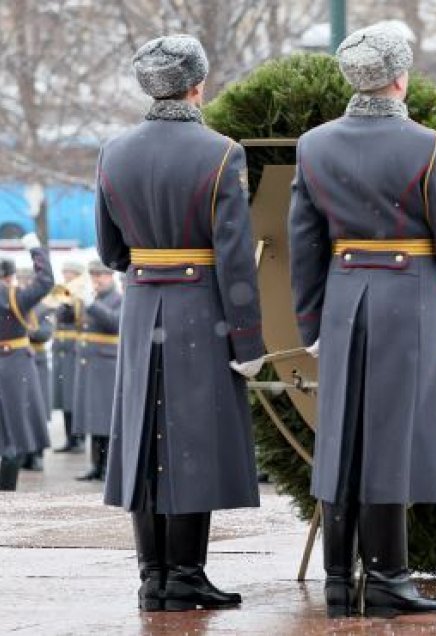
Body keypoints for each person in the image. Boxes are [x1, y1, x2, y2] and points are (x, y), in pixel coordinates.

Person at [289, 22, 436, 618]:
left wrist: (312, 323)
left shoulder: (314, 144)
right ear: (401, 78)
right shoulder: (429, 146)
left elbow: (304, 244)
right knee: (392, 438)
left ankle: (338, 582)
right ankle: (389, 578)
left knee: (342, 436)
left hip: (345, 296)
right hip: (408, 296)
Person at [96, 34, 265, 612]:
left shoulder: (113, 152)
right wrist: (249, 339)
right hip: (200, 307)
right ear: (198, 85)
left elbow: (109, 251)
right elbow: (236, 258)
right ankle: (187, 573)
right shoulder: (221, 153)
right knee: (194, 439)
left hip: (143, 303)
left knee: (146, 438)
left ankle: (154, 576)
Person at [0, 235, 54, 490]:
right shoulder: (17, 297)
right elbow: (46, 280)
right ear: (10, 277)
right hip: (15, 367)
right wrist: (36, 250)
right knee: (16, 435)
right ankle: (7, 490)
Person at [64, 261, 121, 482]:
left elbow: (114, 322)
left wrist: (90, 304)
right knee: (92, 418)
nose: (97, 279)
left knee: (105, 420)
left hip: (106, 365)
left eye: (102, 275)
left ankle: (108, 466)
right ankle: (95, 465)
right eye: (94, 275)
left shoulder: (119, 298)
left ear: (111, 277)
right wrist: (69, 302)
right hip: (90, 365)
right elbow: (65, 320)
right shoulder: (92, 298)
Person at [16, 266, 56, 472]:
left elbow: (45, 334)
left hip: (37, 362)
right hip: (18, 363)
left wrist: (27, 328)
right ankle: (24, 453)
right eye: (19, 281)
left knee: (37, 411)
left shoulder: (44, 307)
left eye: (26, 281)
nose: (22, 285)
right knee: (21, 411)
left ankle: (38, 454)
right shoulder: (14, 304)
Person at [52, 261, 86, 454]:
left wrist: (66, 301)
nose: (66, 276)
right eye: (65, 272)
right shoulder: (62, 291)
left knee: (75, 397)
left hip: (74, 351)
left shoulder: (80, 294)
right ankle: (69, 439)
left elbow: (73, 316)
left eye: (70, 273)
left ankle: (78, 439)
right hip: (61, 351)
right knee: (64, 397)